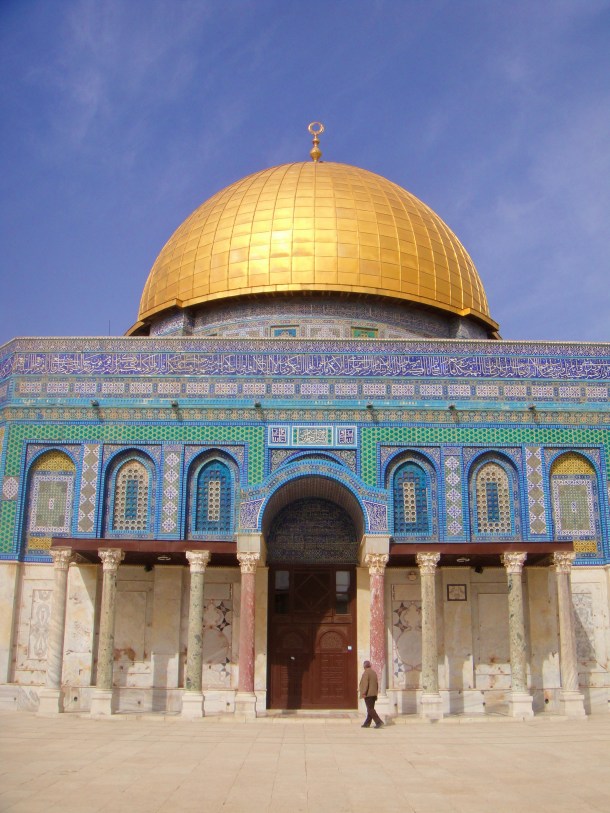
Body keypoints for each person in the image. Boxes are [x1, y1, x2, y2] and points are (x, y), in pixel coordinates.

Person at [359, 660, 384, 728]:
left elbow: (365, 684)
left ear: (364, 666)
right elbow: (376, 683)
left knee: (370, 709)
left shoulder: (366, 673)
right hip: (373, 693)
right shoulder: (373, 672)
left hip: (368, 694)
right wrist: (376, 693)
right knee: (370, 709)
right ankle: (367, 723)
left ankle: (379, 722)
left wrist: (363, 693)